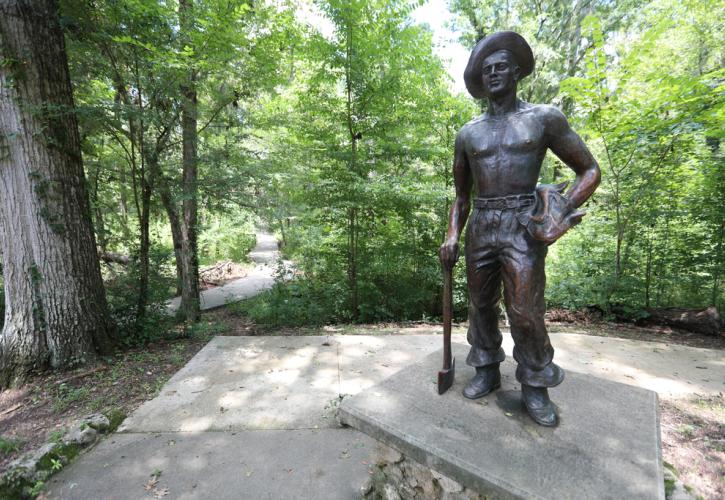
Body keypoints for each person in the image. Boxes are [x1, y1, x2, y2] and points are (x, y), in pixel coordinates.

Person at [439, 31, 601, 426]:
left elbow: (589, 171)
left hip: (522, 225)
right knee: (479, 305)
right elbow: (461, 196)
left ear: (515, 72)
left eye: (500, 67)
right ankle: (487, 369)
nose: (493, 74)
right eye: (486, 69)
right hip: (481, 222)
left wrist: (559, 211)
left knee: (525, 311)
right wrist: (452, 234)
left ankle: (534, 385)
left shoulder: (543, 119)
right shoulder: (468, 133)